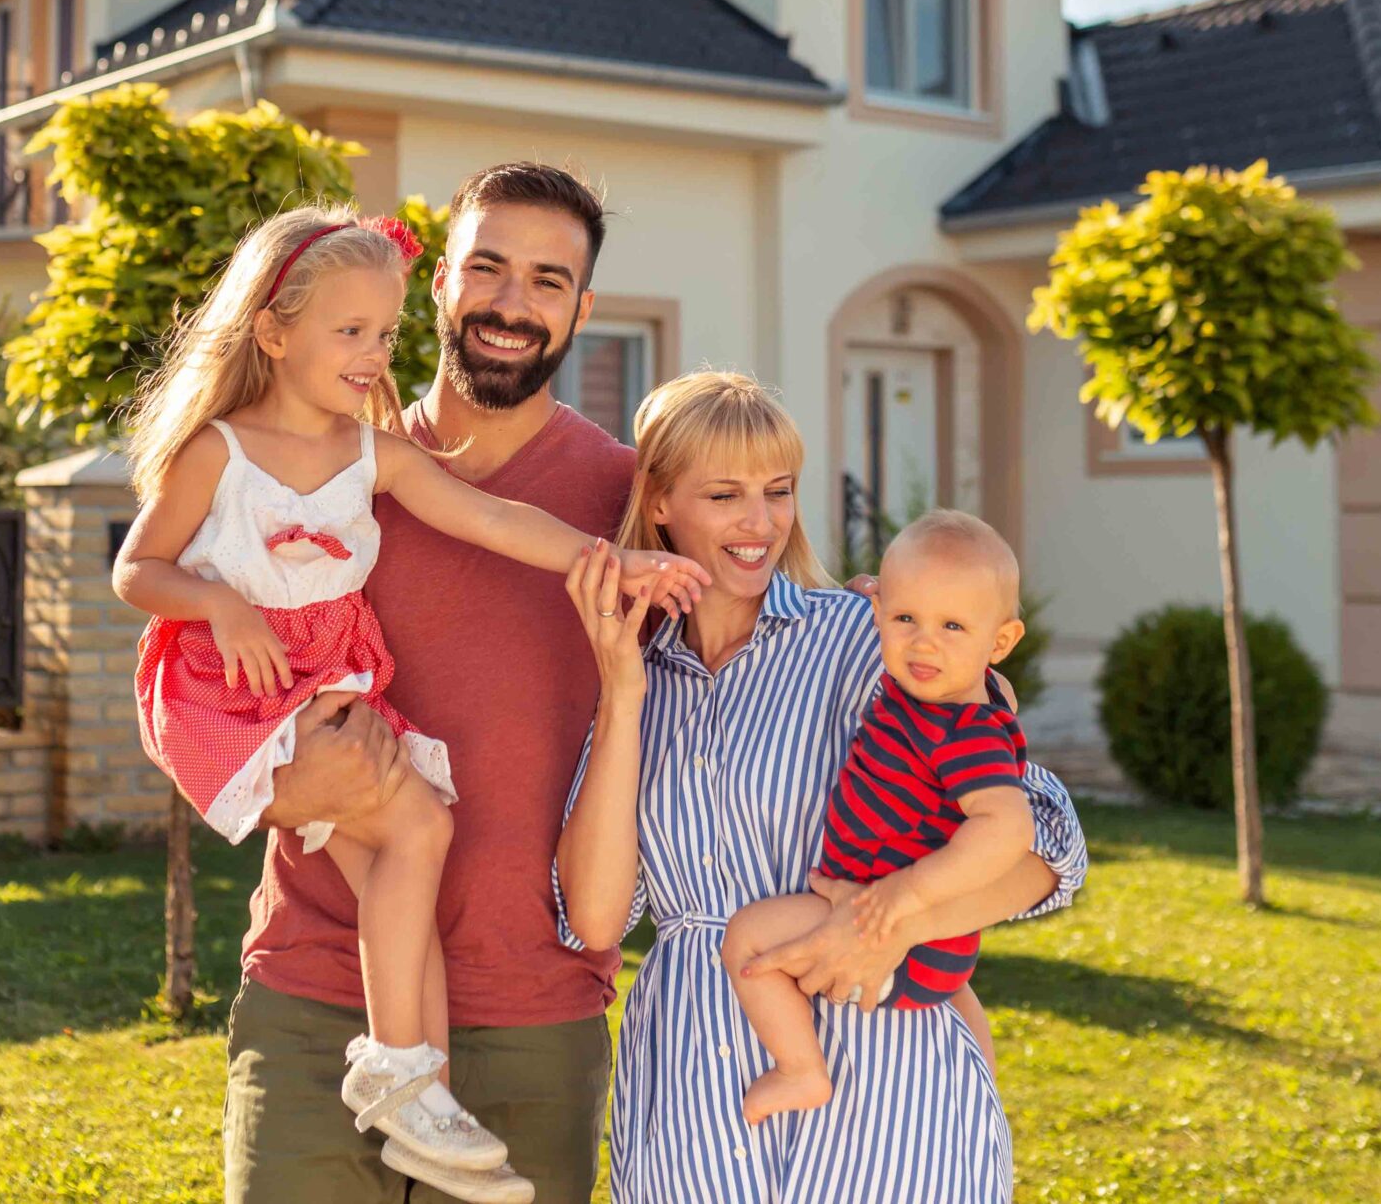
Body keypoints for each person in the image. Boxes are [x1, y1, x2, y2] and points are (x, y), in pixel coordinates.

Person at [116, 205, 704, 1190]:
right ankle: (404, 1072)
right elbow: (154, 606)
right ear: (439, 282)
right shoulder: (244, 454)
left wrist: (886, 628)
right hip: (306, 984)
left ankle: (406, 1078)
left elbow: (502, 522)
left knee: (412, 829)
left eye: (548, 280)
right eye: (487, 267)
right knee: (416, 827)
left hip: (534, 1010)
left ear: (583, 308)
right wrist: (233, 642)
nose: (514, 300)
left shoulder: (612, 489)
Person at [555, 373, 1088, 1203]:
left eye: (779, 491)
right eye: (725, 493)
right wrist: (622, 692)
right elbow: (595, 918)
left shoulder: (867, 639)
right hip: (695, 1098)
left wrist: (891, 921)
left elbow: (1053, 842)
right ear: (660, 503)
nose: (760, 523)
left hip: (884, 1088)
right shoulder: (630, 679)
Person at [720, 509, 1033, 1126]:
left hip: (880, 918)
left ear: (998, 643)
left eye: (952, 626)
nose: (924, 643)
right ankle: (984, 1086)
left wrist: (908, 893)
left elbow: (1011, 827)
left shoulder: (964, 731)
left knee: (747, 940)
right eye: (906, 618)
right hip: (929, 947)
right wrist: (870, 594)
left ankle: (800, 1070)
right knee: (957, 994)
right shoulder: (922, 693)